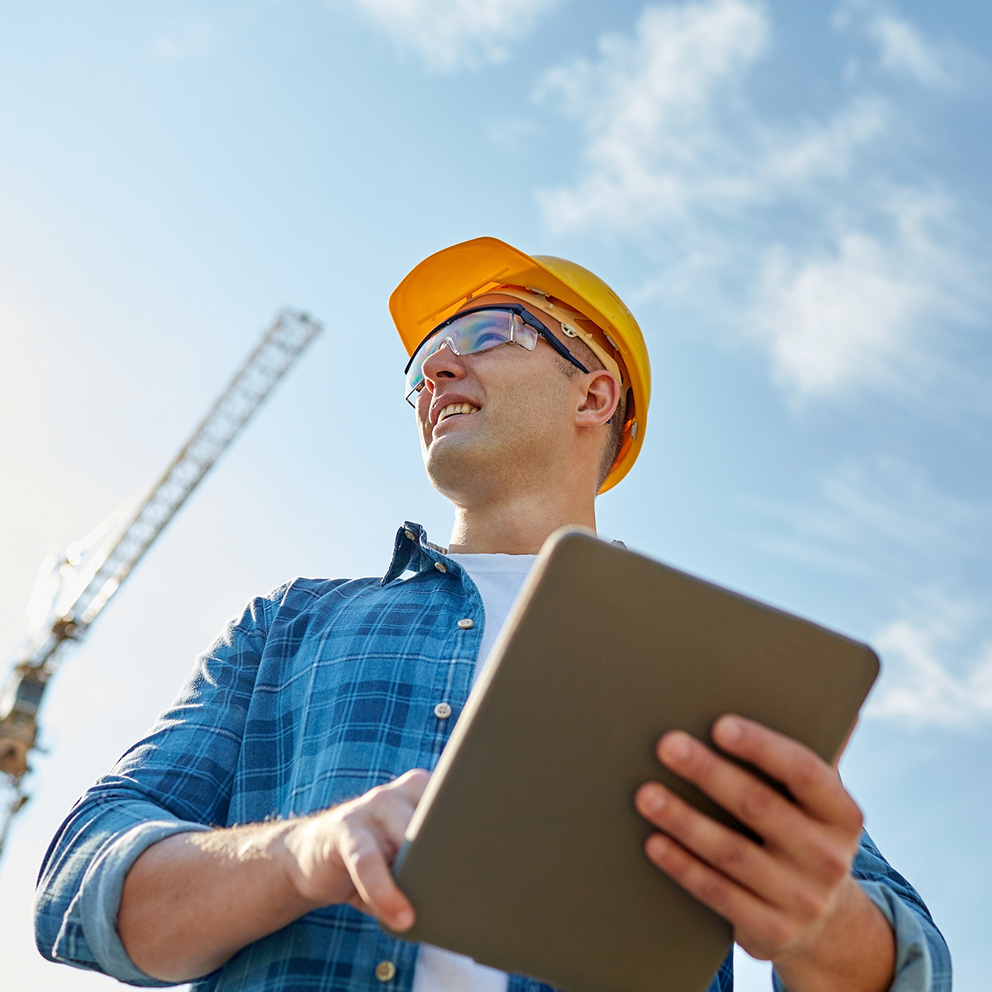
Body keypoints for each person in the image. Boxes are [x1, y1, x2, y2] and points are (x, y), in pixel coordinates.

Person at [36, 237, 949, 992]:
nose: (436, 367)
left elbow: (907, 964)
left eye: (485, 331)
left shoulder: (711, 671)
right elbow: (80, 882)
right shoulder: (289, 625)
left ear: (594, 394)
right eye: (421, 364)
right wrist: (300, 856)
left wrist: (819, 924)